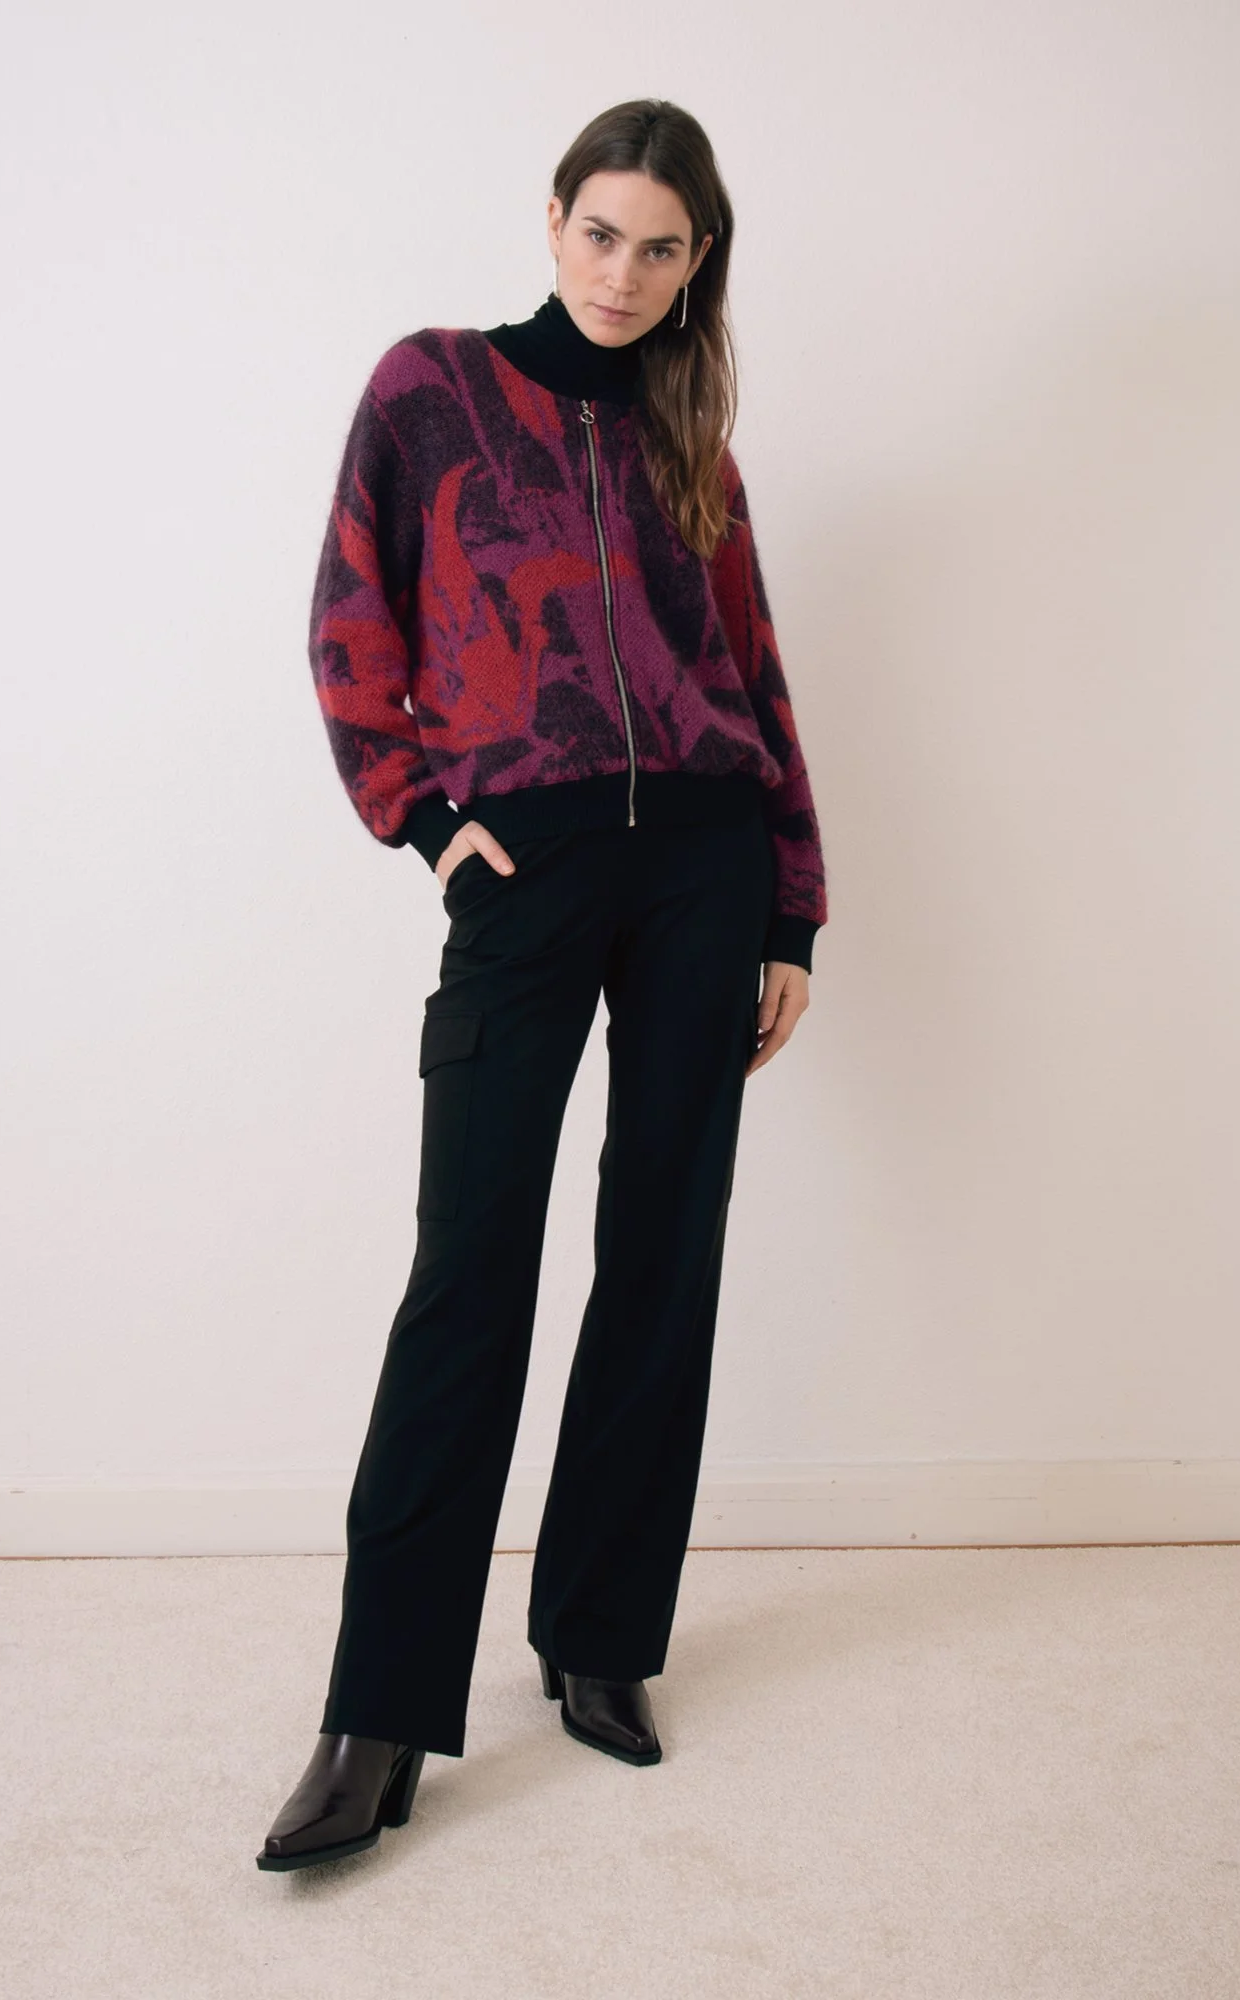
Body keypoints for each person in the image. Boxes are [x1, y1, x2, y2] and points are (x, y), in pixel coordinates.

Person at [257, 96, 827, 1873]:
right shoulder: (431, 390)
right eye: (601, 233)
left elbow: (755, 673)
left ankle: (598, 1636)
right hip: (526, 866)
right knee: (471, 1271)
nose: (623, 274)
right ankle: (377, 1713)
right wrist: (425, 821)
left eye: (662, 249)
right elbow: (350, 619)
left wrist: (791, 912)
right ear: (554, 217)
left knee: (664, 1251)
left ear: (696, 262)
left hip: (705, 865)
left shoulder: (691, 436)